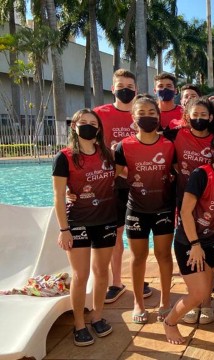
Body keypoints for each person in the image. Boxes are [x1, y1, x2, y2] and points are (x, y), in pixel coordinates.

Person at [162, 132, 214, 345]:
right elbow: (185, 213)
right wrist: (195, 245)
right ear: (212, 150)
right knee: (198, 294)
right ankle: (170, 323)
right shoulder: (201, 174)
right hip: (189, 242)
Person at [53, 109, 117, 346]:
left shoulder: (108, 155)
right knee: (81, 275)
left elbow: (122, 177)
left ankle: (97, 316)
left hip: (106, 220)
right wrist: (63, 229)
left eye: (93, 123)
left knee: (102, 273)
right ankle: (79, 324)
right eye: (84, 122)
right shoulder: (64, 157)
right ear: (74, 126)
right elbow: (59, 196)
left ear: (99, 129)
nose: (89, 126)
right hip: (78, 222)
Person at [114, 95, 176, 324]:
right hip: (136, 209)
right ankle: (138, 302)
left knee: (163, 255)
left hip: (163, 208)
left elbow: (180, 171)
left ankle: (165, 302)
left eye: (152, 113)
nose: (147, 117)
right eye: (142, 113)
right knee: (138, 257)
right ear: (133, 117)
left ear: (159, 117)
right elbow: (112, 173)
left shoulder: (169, 145)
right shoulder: (124, 146)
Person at [93, 69, 152, 303]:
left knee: (140, 235)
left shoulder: (143, 115)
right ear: (112, 88)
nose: (125, 89)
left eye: (129, 85)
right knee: (117, 234)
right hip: (115, 185)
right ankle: (116, 282)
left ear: (136, 90)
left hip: (142, 185)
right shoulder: (101, 114)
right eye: (121, 85)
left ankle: (140, 277)